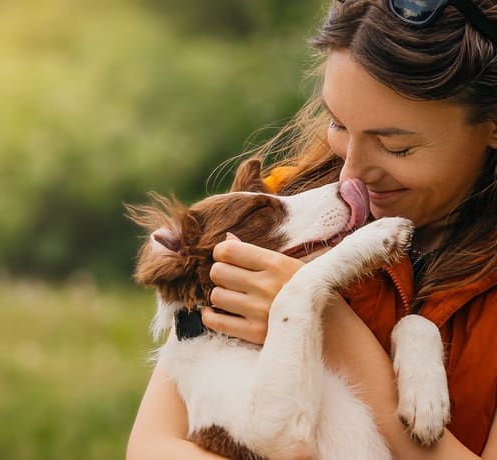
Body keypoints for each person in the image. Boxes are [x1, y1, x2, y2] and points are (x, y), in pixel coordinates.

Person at [126, 0, 497, 458]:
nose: (350, 176)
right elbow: (152, 446)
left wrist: (334, 328)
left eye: (395, 146)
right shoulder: (289, 208)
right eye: (337, 123)